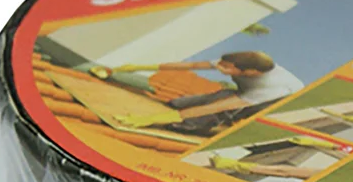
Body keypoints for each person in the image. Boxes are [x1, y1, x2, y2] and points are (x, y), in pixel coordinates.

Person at [111, 51, 304, 135]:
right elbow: (193, 65)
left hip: (276, 105)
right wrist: (138, 67)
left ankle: (193, 126)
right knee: (179, 103)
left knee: (216, 109)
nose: (220, 68)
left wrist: (151, 119)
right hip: (246, 92)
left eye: (226, 68)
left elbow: (216, 107)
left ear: (251, 72)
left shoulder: (271, 88)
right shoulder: (238, 61)